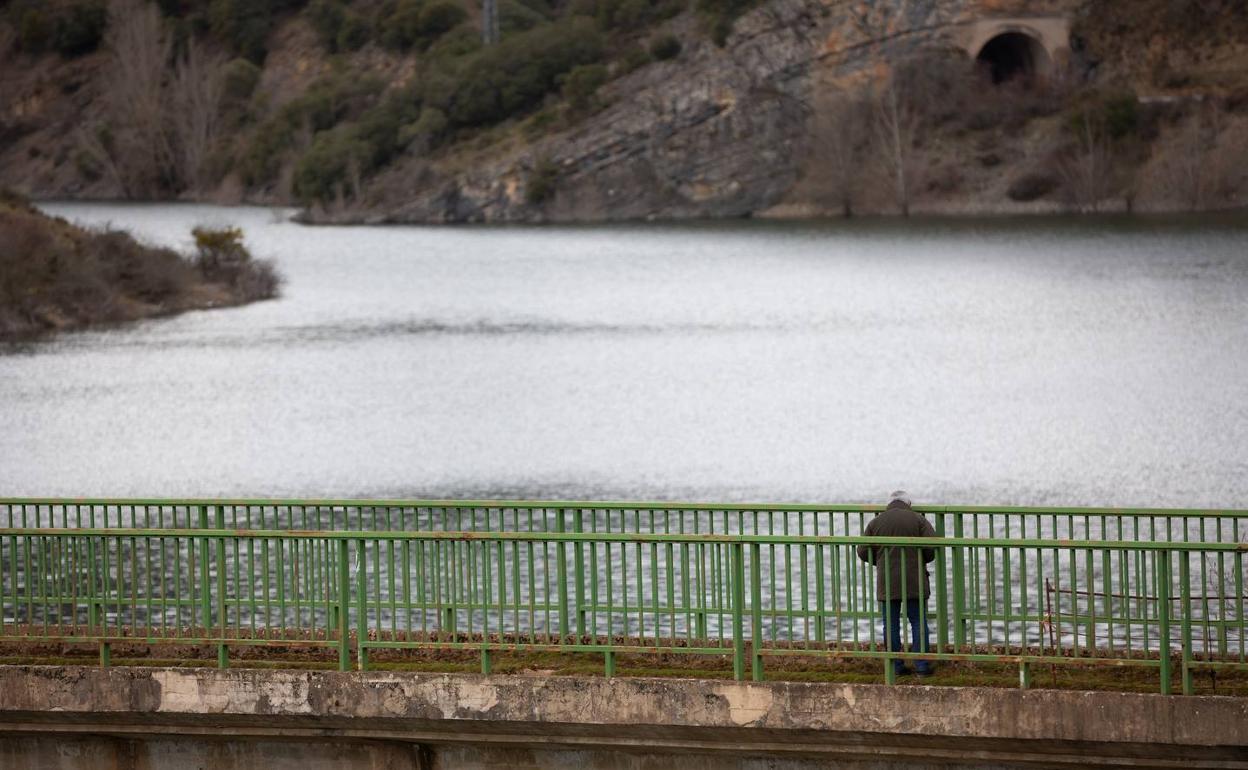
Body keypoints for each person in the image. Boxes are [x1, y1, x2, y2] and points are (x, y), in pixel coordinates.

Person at [856, 491, 937, 677]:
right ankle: (922, 667)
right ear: (908, 503)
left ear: (889, 504)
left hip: (887, 581)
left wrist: (881, 562)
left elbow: (862, 550)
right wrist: (920, 561)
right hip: (914, 580)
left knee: (890, 623)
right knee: (918, 621)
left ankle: (896, 666)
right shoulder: (918, 520)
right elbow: (931, 548)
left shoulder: (876, 522)